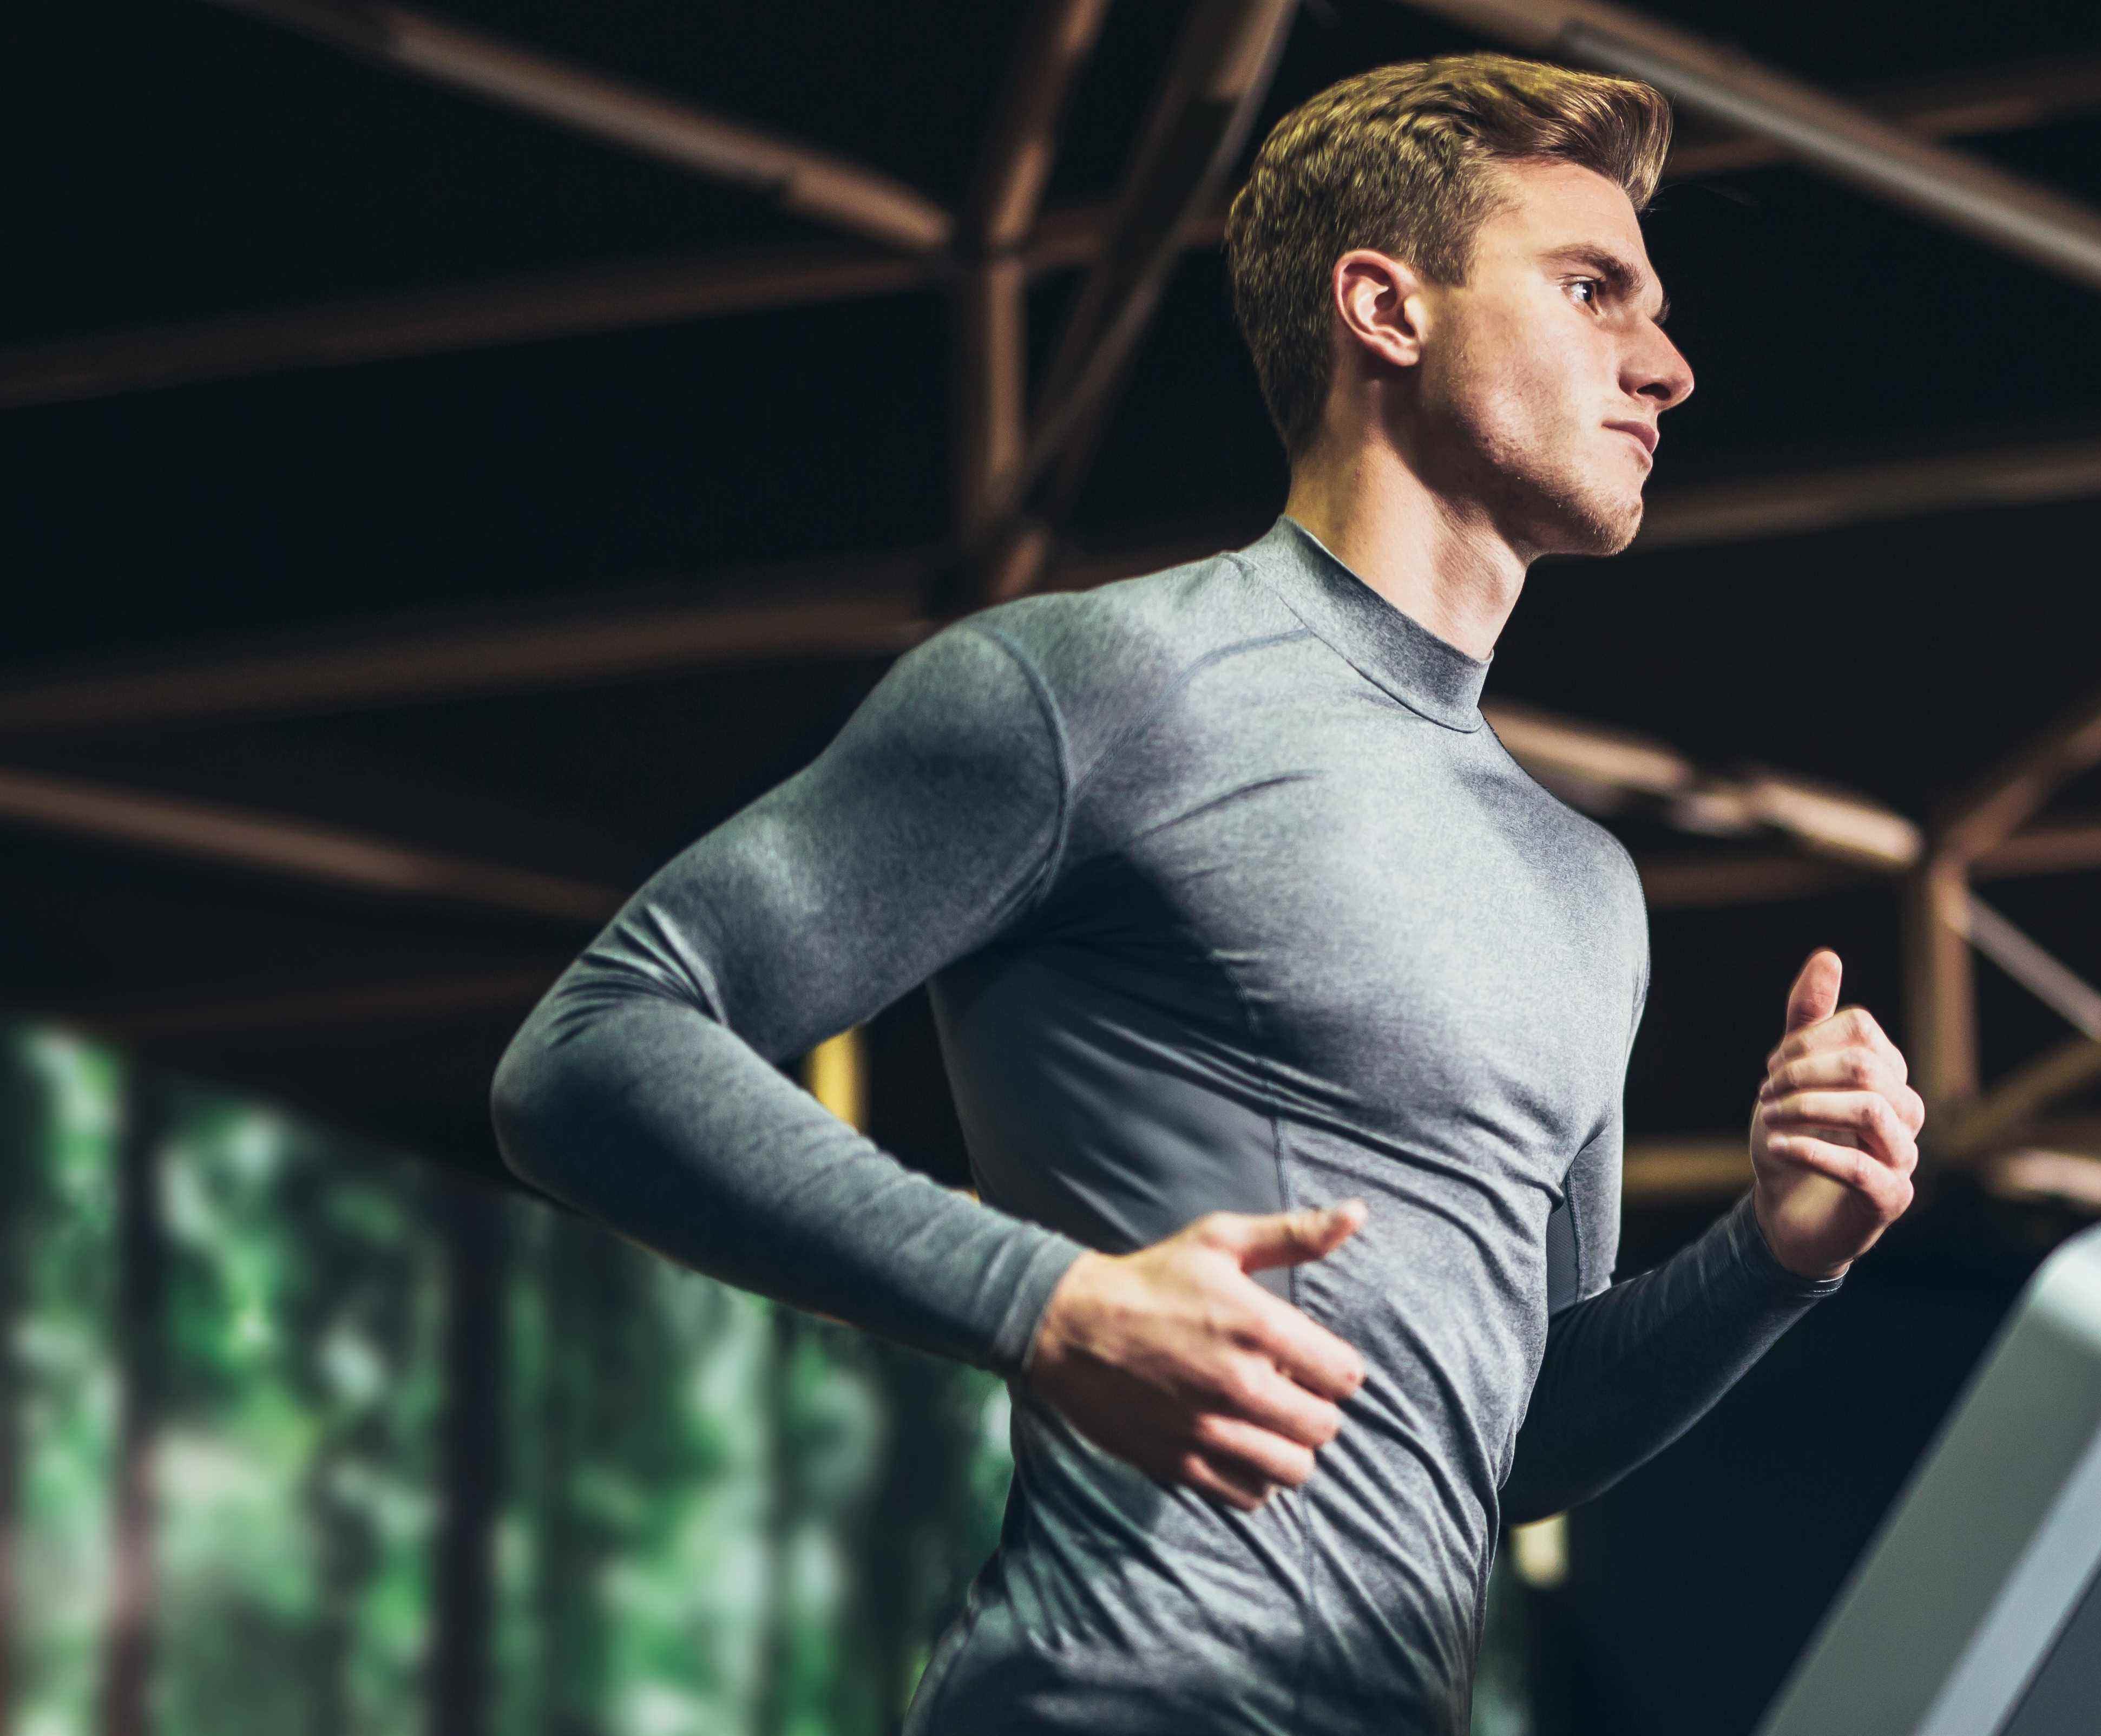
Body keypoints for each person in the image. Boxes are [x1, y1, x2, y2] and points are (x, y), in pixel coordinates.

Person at [490, 50, 1923, 1735]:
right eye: (1593, 289)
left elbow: (1506, 1436)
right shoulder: (1107, 684)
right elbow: (588, 1053)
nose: (1667, 367)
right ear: (1385, 310)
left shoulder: (1583, 883)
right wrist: (1053, 1302)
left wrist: (1775, 1254)